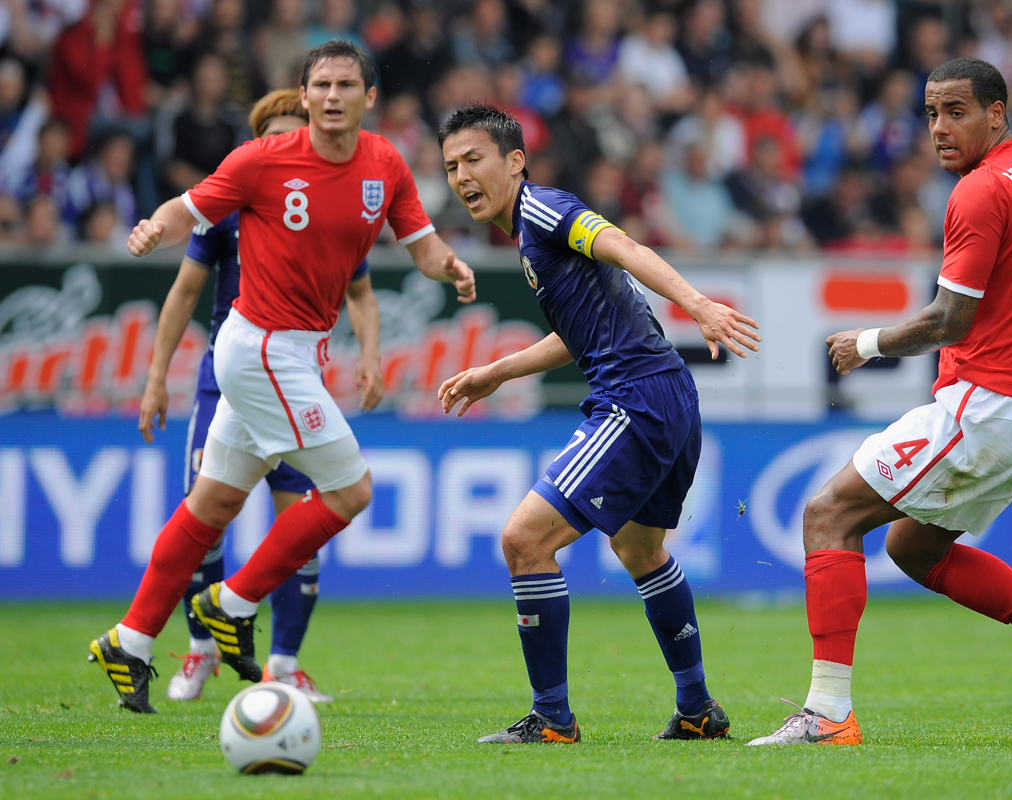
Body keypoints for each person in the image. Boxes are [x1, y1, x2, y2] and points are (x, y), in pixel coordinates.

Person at [746, 57, 1012, 748]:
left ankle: (827, 715)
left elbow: (950, 321)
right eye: (931, 114)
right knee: (913, 546)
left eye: (957, 112)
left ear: (996, 113)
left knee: (829, 514)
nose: (940, 128)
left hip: (989, 408)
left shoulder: (978, 192)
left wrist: (869, 343)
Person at [89, 40, 476, 714]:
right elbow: (192, 205)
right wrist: (154, 225)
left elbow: (421, 244)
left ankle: (131, 638)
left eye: (345, 85)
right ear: (302, 97)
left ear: (370, 98)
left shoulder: (385, 165)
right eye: (320, 84)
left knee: (212, 505)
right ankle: (230, 604)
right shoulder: (262, 160)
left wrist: (451, 266)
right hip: (259, 347)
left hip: (297, 352)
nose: (332, 96)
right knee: (351, 488)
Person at [437, 104, 760, 744]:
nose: (461, 176)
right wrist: (495, 372)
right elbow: (576, 333)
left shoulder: (542, 211)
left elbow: (627, 246)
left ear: (514, 162)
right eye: (450, 166)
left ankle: (552, 718)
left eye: (474, 159)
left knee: (524, 541)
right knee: (639, 550)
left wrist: (696, 303)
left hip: (636, 399)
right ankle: (697, 709)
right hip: (669, 394)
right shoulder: (531, 235)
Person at [137, 89, 370, 704]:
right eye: (283, 134)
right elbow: (185, 293)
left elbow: (362, 291)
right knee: (207, 516)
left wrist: (369, 353)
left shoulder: (333, 206)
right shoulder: (231, 205)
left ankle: (284, 662)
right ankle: (201, 648)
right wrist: (158, 376)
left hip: (291, 379)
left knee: (300, 518)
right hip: (228, 379)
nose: (297, 145)